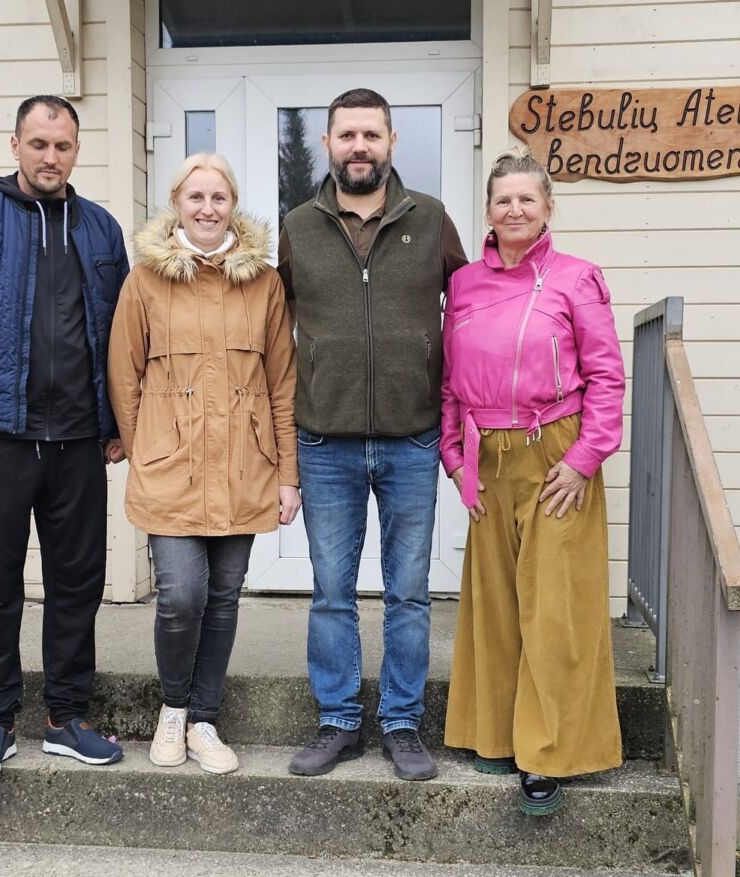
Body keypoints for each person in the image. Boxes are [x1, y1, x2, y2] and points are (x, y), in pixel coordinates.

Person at [0, 95, 130, 784]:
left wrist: (119, 422)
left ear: (76, 151)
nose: (50, 156)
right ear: (15, 145)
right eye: (38, 143)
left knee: (78, 584)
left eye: (62, 145)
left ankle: (67, 717)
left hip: (79, 439)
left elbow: (123, 337)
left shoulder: (100, 229)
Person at [278, 88, 467, 782]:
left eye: (371, 135)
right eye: (347, 135)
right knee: (331, 592)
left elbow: (472, 311)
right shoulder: (297, 227)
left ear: (391, 142)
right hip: (323, 441)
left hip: (411, 439)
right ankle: (337, 721)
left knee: (408, 594)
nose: (360, 146)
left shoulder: (432, 220)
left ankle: (402, 722)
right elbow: (272, 323)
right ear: (328, 143)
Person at [440, 149, 626, 816]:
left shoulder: (578, 278)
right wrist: (454, 459)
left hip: (555, 454)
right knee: (493, 603)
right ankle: (494, 734)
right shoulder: (463, 284)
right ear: (487, 211)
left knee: (554, 608)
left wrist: (583, 459)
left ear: (548, 206)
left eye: (527, 198)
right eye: (503, 200)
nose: (514, 209)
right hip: (486, 458)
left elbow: (607, 377)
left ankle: (548, 753)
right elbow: (449, 385)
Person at [108, 153, 299, 775]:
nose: (208, 208)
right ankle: (173, 709)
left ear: (233, 205)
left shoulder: (263, 283)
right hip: (172, 465)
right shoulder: (145, 281)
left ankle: (204, 720)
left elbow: (282, 383)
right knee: (181, 595)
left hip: (245, 464)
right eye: (196, 197)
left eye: (219, 198)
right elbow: (123, 376)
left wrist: (288, 475)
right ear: (177, 204)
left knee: (222, 598)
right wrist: (144, 449)